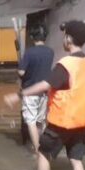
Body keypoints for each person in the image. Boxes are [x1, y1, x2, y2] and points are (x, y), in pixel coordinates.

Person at [4, 20, 85, 170]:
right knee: (76, 160)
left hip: (62, 122)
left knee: (43, 154)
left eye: (64, 36)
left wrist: (19, 95)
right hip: (81, 122)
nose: (63, 39)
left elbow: (45, 85)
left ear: (69, 39)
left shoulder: (66, 64)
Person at [17, 26, 54, 154]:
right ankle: (41, 145)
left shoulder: (29, 52)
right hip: (44, 92)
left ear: (32, 37)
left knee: (31, 121)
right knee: (40, 120)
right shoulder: (50, 52)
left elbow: (21, 72)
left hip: (30, 90)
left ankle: (38, 150)